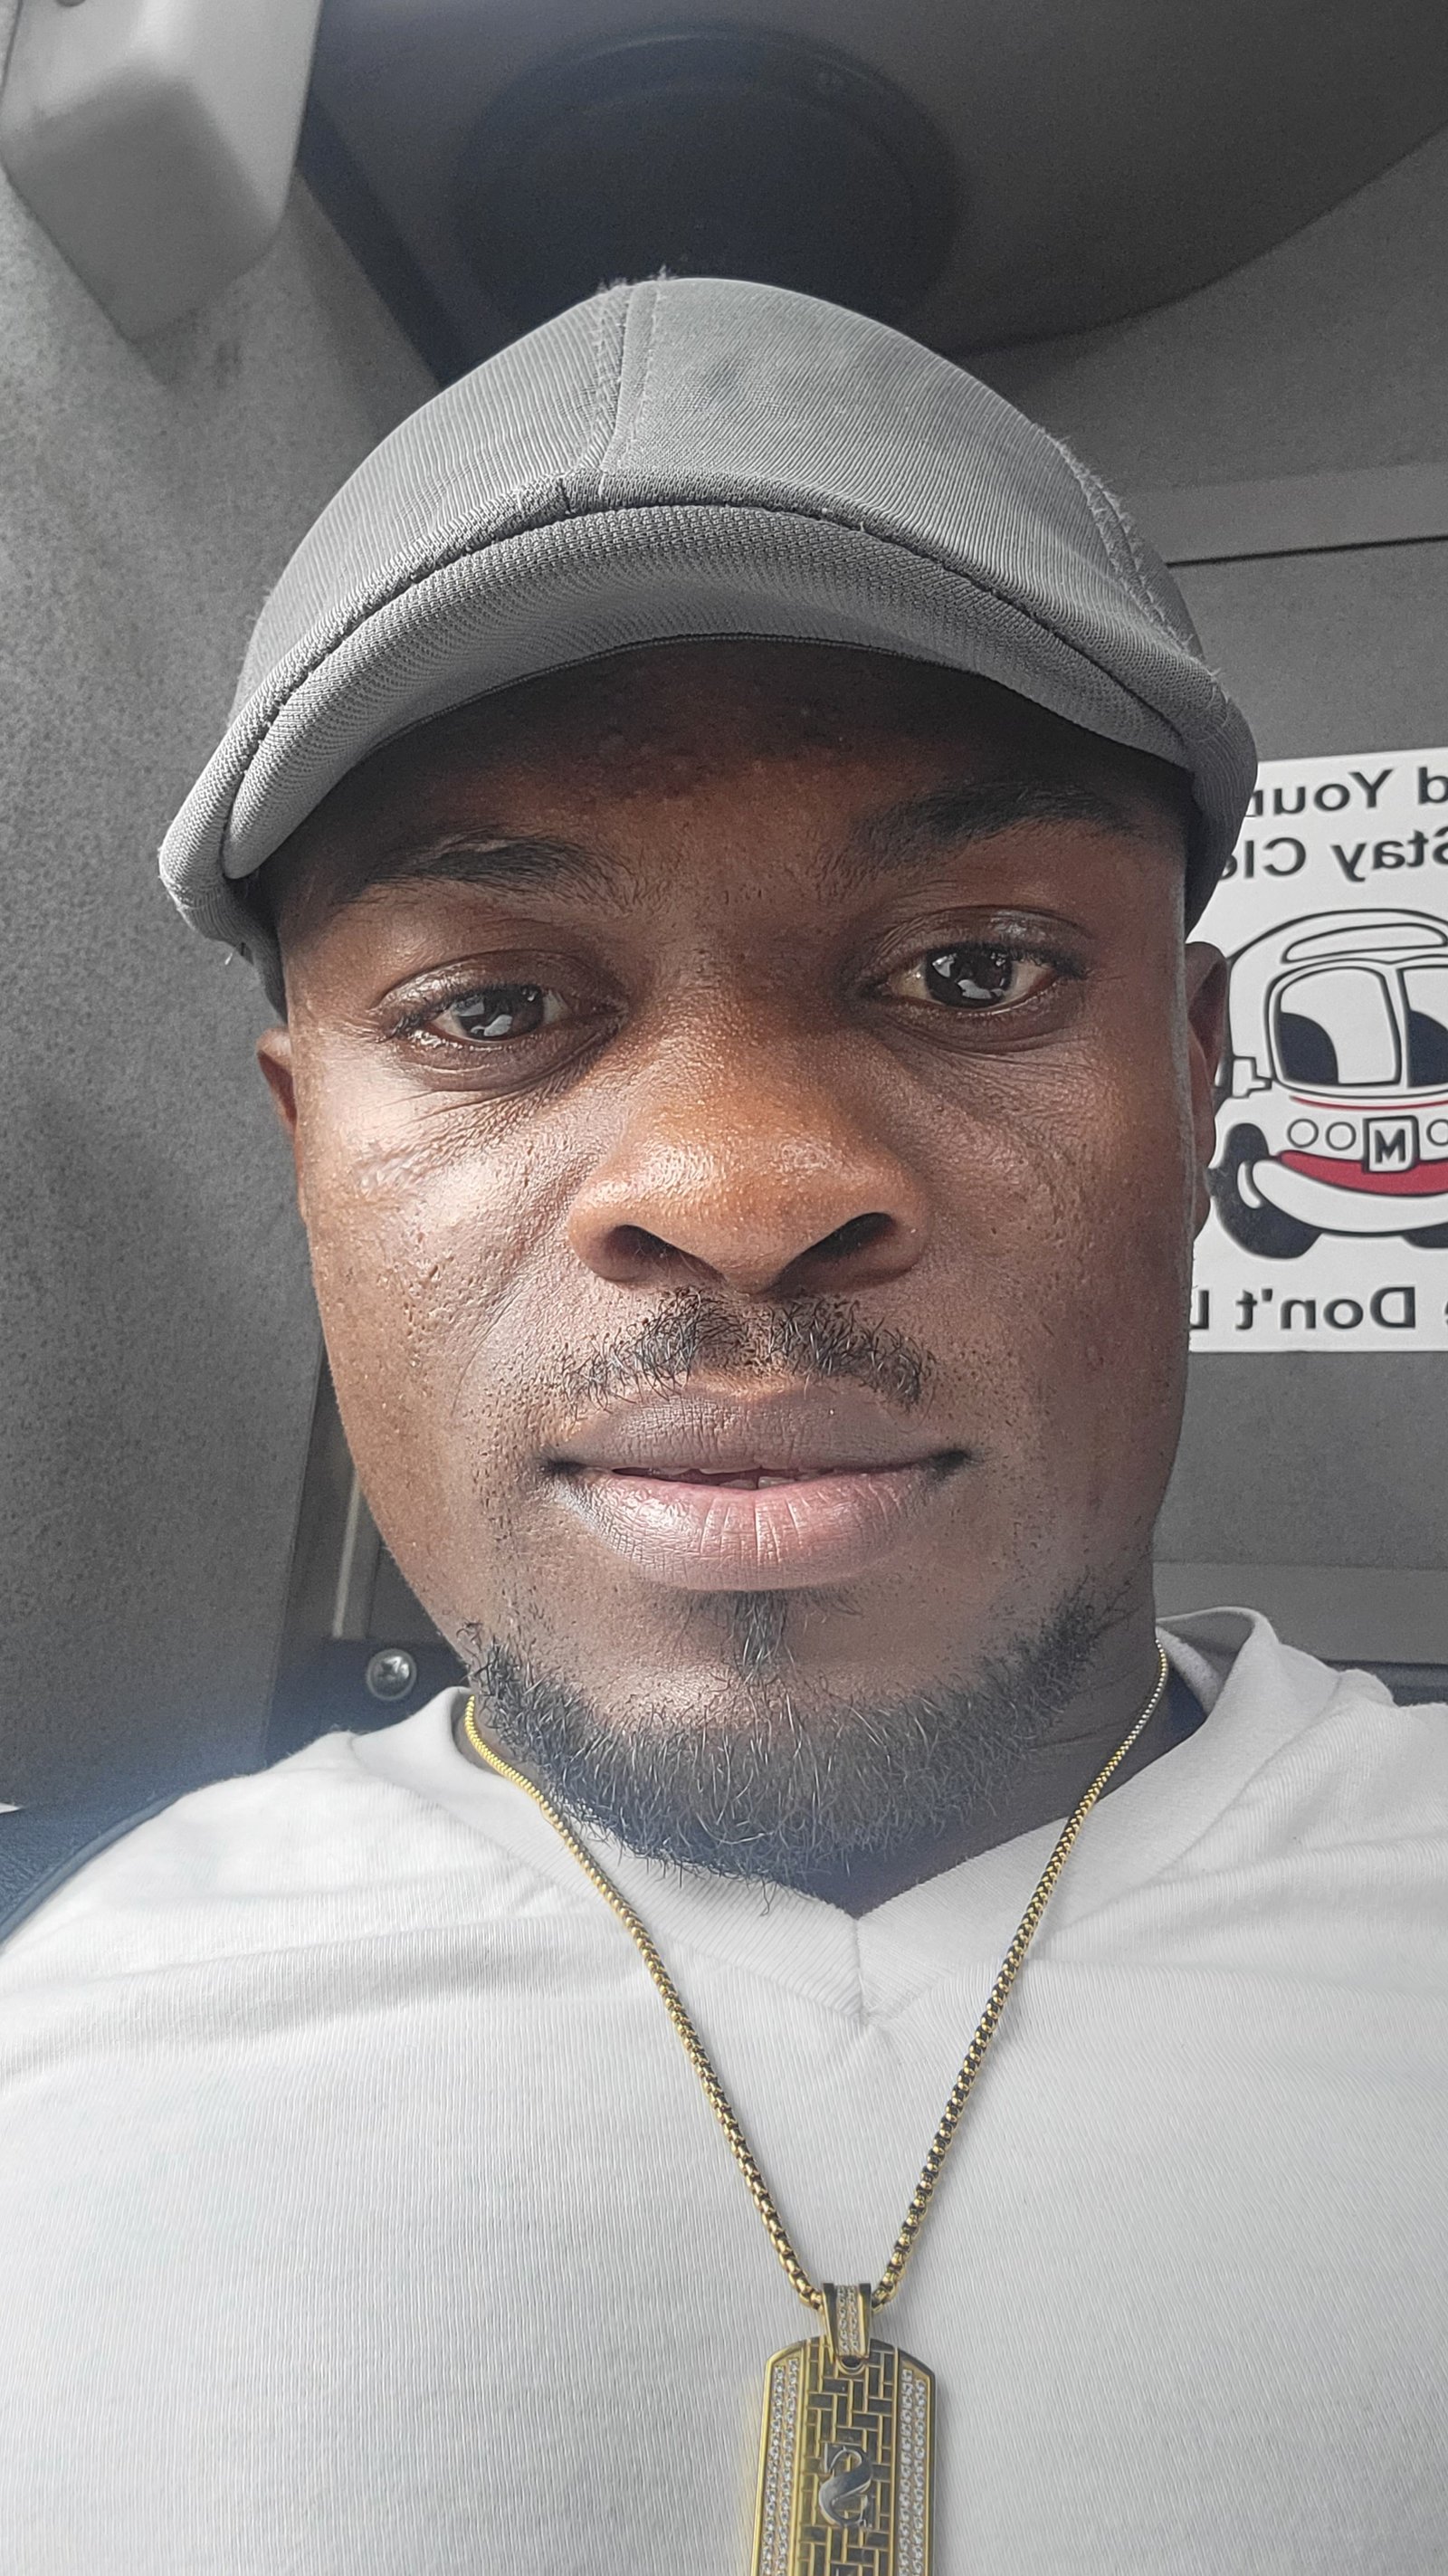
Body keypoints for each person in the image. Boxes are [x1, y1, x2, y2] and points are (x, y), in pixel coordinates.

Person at [2, 274, 1444, 2575]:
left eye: (971, 970)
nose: (739, 1189)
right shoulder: (61, 2049)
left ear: (1191, 1084)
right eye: (488, 1008)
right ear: (305, 1148)